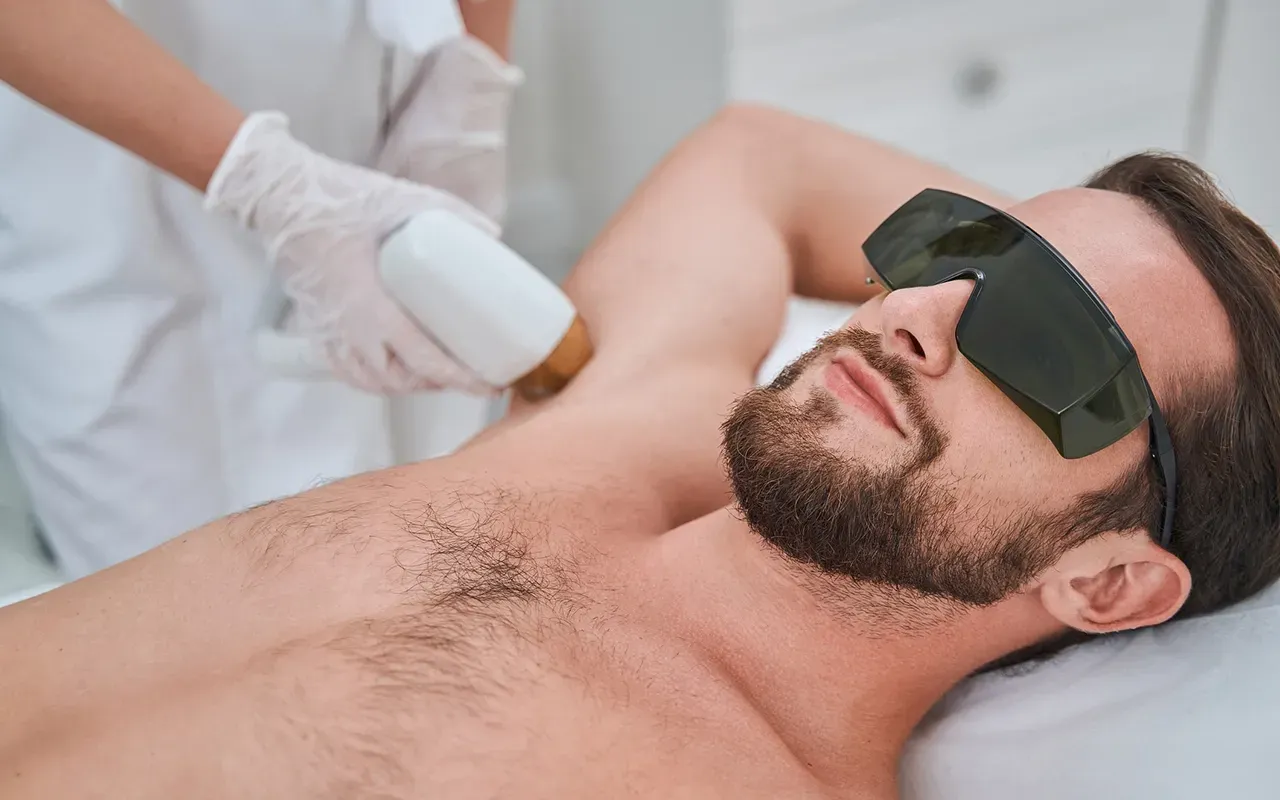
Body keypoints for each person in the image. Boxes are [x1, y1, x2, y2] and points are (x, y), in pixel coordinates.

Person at [4, 105, 1280, 798]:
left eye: (1048, 340)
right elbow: (760, 154)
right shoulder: (632, 427)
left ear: (1107, 581)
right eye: (963, 251)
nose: (913, 311)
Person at [0, 0, 522, 577]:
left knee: (423, 565)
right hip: (115, 164)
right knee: (183, 593)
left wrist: (467, 85)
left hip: (387, 111)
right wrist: (265, 182)